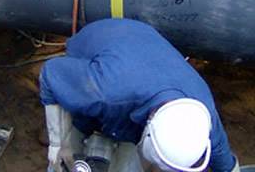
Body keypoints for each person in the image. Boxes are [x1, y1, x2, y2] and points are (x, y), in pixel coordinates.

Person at [39, 19, 239, 172]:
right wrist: (58, 142)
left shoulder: (200, 118)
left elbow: (221, 155)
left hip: (144, 45)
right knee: (77, 131)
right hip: (99, 39)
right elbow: (50, 73)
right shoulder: (105, 91)